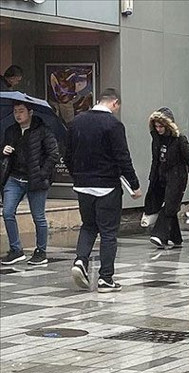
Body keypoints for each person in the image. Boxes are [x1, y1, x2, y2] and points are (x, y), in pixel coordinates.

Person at [65, 88, 141, 292]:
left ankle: (80, 260)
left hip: (82, 185)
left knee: (88, 226)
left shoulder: (77, 122)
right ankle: (105, 278)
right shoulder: (114, 125)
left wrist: (78, 175)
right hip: (107, 186)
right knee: (108, 232)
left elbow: (67, 155)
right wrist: (134, 184)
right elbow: (122, 157)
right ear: (114, 103)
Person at [1, 101, 59, 265]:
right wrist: (4, 150)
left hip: (35, 179)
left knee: (38, 217)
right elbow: (3, 150)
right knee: (7, 212)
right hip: (14, 178)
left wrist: (42, 174)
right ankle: (16, 249)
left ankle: (41, 251)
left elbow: (53, 154)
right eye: (15, 111)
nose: (18, 115)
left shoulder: (42, 131)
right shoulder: (11, 131)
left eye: (21, 111)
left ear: (30, 112)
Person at [144, 108, 189, 250]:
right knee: (167, 206)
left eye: (161, 126)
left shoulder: (179, 139)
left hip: (177, 177)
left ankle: (159, 235)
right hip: (161, 176)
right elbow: (155, 160)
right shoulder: (156, 140)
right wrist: (152, 177)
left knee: (170, 206)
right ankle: (175, 237)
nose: (158, 129)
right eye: (156, 126)